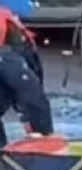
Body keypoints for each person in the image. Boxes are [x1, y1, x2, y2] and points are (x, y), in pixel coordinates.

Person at [0, 9, 51, 146]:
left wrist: (34, 125)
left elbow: (30, 92)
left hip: (15, 54)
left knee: (31, 99)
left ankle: (42, 138)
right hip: (16, 57)